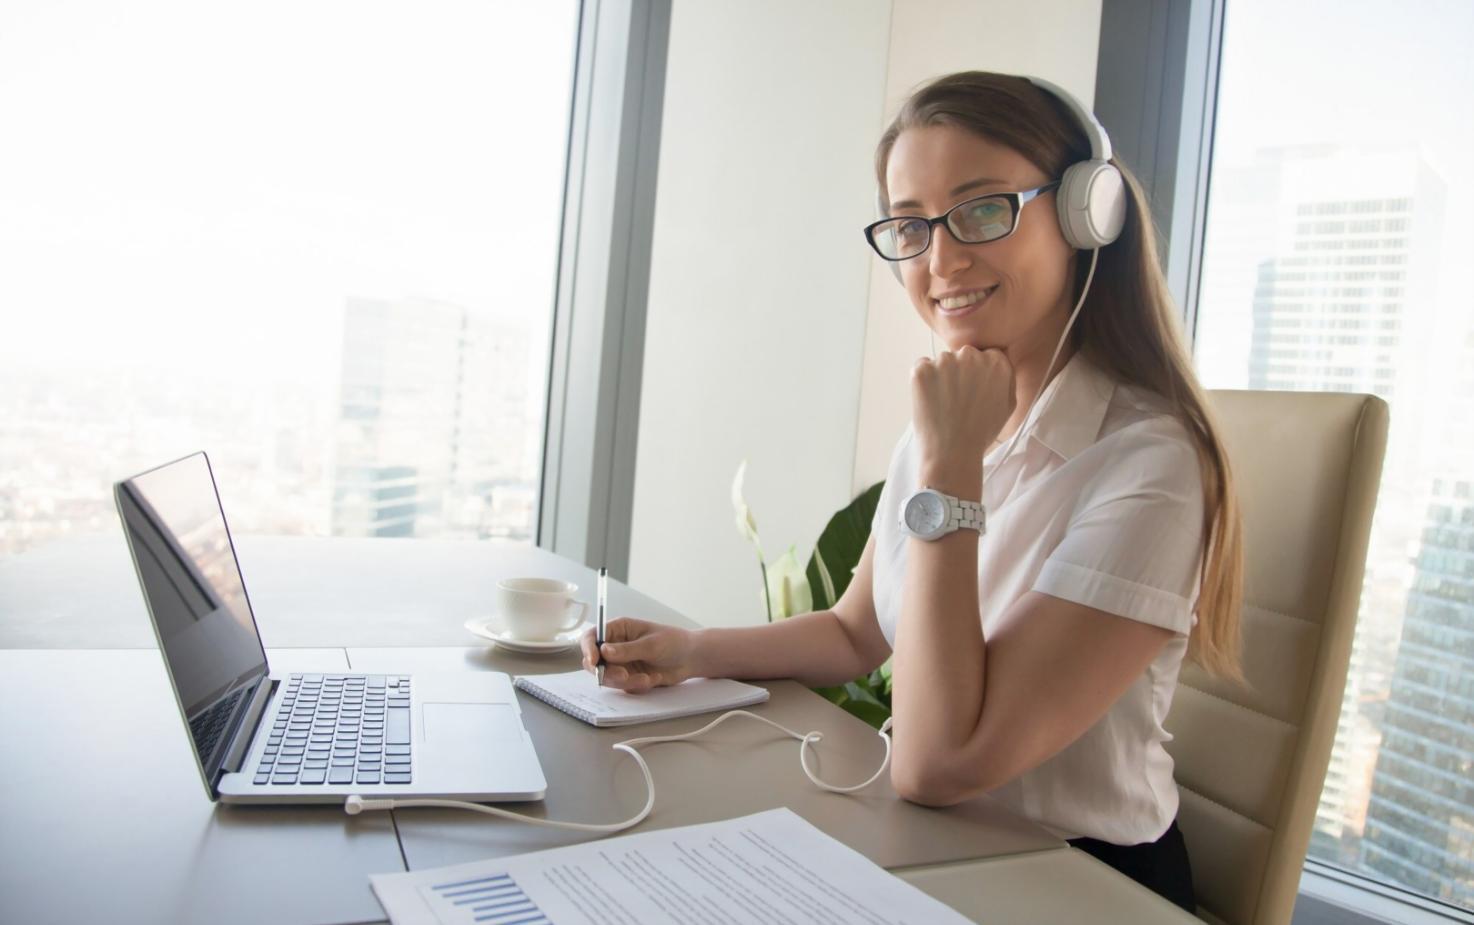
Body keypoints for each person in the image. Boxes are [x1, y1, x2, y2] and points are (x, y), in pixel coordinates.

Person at [580, 71, 1243, 913]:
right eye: (910, 224)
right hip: (938, 845)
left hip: (1079, 879)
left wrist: (952, 465)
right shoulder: (952, 423)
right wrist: (693, 651)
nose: (941, 258)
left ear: (1087, 213)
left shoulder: (1151, 466)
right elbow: (855, 631)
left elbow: (935, 761)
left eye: (981, 209)